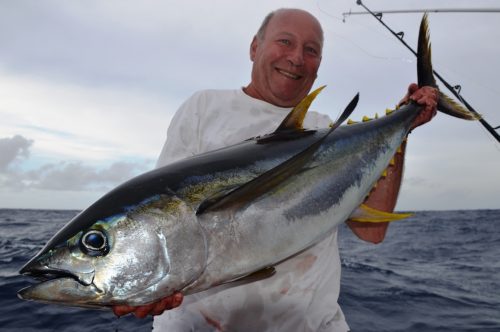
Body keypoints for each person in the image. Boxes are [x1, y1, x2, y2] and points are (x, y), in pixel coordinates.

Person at [113, 8, 438, 331]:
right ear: (255, 47)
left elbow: (372, 230)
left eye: (311, 50)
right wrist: (148, 276)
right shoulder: (204, 108)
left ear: (319, 63)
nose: (297, 57)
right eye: (285, 41)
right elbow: (165, 215)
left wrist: (403, 125)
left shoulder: (325, 132)